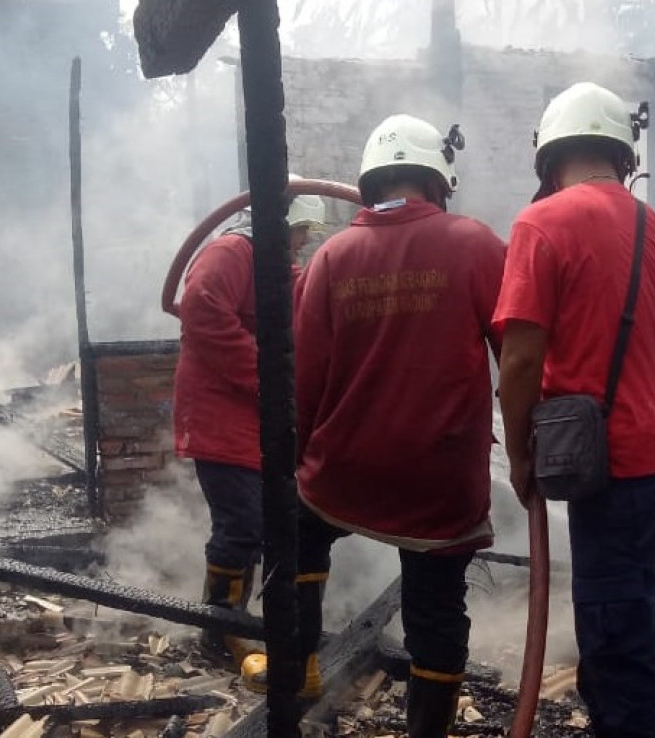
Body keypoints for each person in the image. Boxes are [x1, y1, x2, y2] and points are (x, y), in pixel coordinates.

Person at [247, 114, 505, 738]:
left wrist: (299, 462)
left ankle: (299, 669)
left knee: (300, 537)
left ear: (370, 182)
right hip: (439, 482)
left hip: (345, 471)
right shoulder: (476, 244)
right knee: (436, 609)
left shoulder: (332, 257)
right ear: (437, 179)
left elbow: (303, 378)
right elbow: (519, 356)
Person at [493, 82, 655, 738]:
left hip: (619, 478)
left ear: (549, 157)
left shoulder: (543, 223)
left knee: (619, 659)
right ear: (621, 156)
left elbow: (519, 361)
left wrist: (520, 456)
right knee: (627, 639)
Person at [172, 181, 325, 664]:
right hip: (219, 416)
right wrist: (269, 375)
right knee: (242, 523)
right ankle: (220, 630)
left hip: (252, 420)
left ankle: (234, 624)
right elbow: (202, 311)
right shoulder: (231, 253)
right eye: (301, 229)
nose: (304, 240)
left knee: (259, 521)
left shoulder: (276, 266)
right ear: (279, 222)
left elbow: (306, 306)